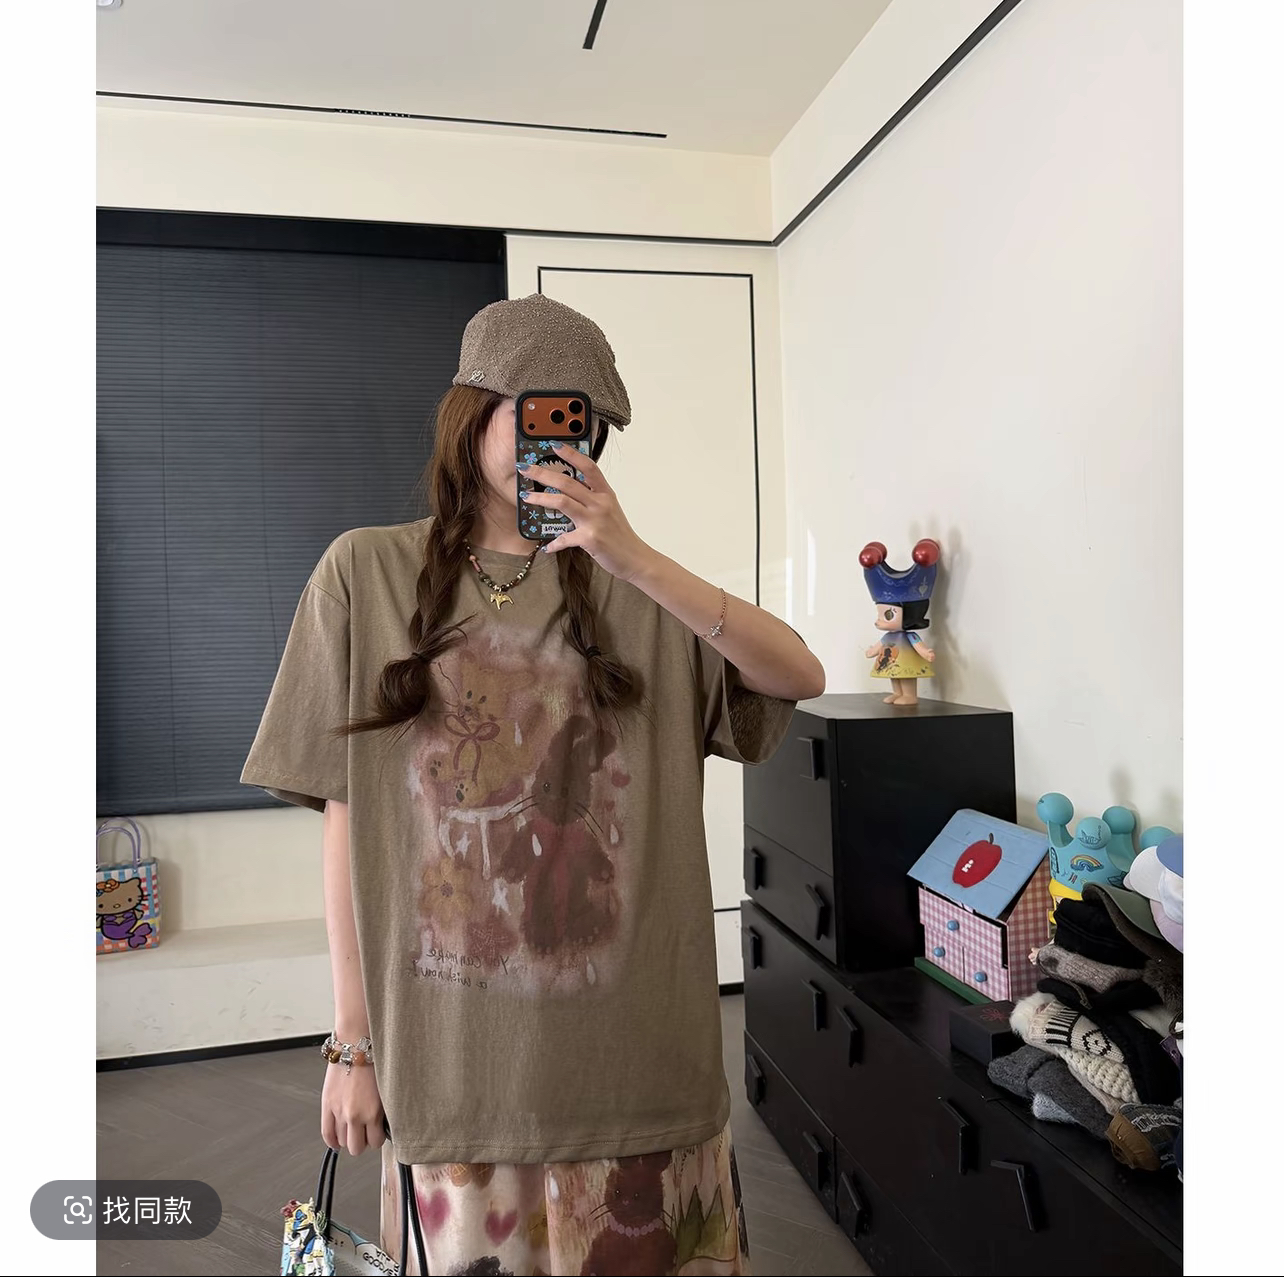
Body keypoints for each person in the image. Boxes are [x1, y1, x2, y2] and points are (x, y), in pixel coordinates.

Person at [242, 294, 826, 1275]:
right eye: (540, 412)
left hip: (641, 1078)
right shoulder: (364, 573)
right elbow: (347, 819)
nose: (559, 442)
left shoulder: (643, 592)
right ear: (473, 412)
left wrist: (634, 558)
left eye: (581, 423)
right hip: (457, 1082)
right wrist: (352, 1044)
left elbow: (798, 673)